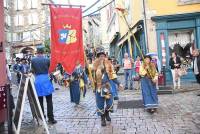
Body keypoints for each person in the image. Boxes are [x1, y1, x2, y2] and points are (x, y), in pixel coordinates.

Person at [31, 48, 57, 124]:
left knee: (40, 101)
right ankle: (51, 118)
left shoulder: (33, 60)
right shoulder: (47, 59)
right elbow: (51, 70)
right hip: (46, 80)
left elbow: (32, 70)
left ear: (37, 52)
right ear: (43, 52)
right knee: (49, 101)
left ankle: (42, 117)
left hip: (38, 80)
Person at [92, 47, 113, 126]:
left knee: (109, 103)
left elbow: (113, 75)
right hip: (99, 87)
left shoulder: (109, 65)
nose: (102, 57)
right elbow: (92, 78)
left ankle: (107, 113)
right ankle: (102, 118)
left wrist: (118, 83)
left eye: (103, 56)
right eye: (100, 56)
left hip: (107, 87)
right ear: (98, 57)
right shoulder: (95, 67)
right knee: (100, 104)